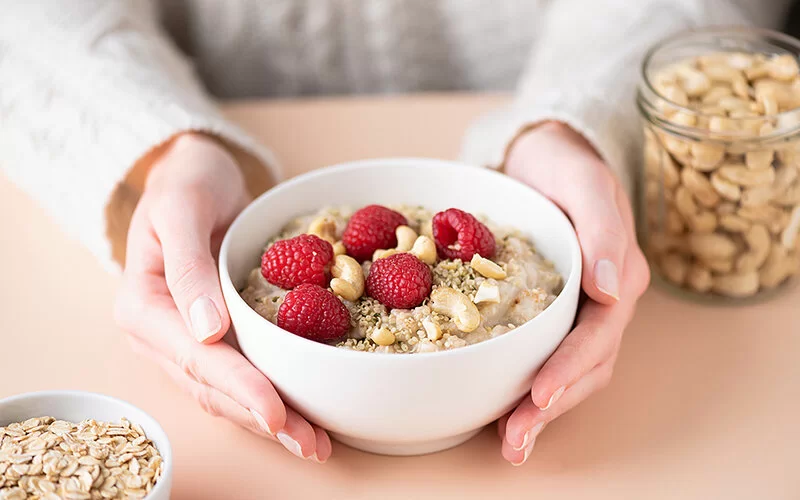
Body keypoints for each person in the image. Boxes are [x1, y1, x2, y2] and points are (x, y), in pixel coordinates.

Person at [0, 0, 790, 466]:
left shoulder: (479, 267)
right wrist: (162, 148)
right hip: (195, 98)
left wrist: (578, 124)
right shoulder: (322, 262)